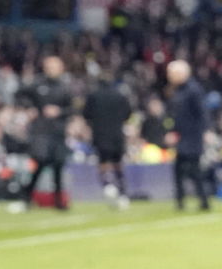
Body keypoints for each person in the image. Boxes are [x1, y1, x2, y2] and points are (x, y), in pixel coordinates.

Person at [12, 56, 74, 212]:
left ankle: (59, 200)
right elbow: (19, 94)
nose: (52, 69)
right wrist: (29, 108)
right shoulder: (37, 84)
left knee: (58, 164)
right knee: (40, 161)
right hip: (41, 131)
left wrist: (59, 112)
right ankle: (26, 195)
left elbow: (73, 109)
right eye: (50, 66)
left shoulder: (65, 87)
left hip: (58, 132)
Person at [166, 59, 211, 212]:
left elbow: (202, 112)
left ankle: (203, 201)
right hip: (182, 136)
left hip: (193, 137)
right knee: (179, 170)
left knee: (193, 170)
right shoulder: (178, 90)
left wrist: (206, 131)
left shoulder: (193, 90)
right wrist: (173, 131)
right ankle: (181, 202)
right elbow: (176, 115)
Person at [85, 76, 133, 209]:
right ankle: (123, 193)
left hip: (100, 135)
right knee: (118, 164)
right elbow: (128, 114)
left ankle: (107, 185)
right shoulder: (120, 96)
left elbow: (86, 114)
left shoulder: (94, 96)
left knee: (103, 162)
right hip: (117, 135)